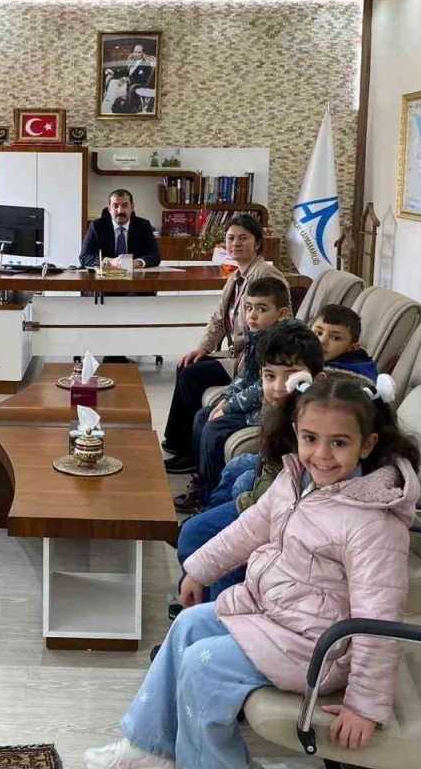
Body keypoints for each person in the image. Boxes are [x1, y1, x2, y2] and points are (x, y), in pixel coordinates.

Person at [86, 371, 421, 769]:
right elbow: (247, 530)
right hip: (275, 617)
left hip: (318, 649)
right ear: (296, 432)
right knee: (188, 625)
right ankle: (148, 749)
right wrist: (200, 571)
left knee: (203, 665)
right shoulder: (295, 481)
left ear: (367, 444)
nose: (322, 454)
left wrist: (364, 705)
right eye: (310, 438)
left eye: (339, 442)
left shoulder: (373, 523)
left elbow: (377, 617)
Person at [175, 319, 325, 602]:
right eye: (269, 376)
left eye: (292, 376)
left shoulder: (318, 429)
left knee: (218, 558)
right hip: (264, 500)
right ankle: (196, 598)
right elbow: (268, 470)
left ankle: (213, 610)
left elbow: (290, 497)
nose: (279, 387)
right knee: (194, 532)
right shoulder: (275, 407)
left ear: (317, 381)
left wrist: (246, 503)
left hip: (282, 518)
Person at [161, 214, 288, 474]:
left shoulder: (265, 274)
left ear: (257, 243)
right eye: (231, 238)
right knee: (187, 364)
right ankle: (177, 444)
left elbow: (282, 323)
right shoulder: (235, 275)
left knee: (192, 375)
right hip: (234, 354)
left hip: (252, 359)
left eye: (243, 238)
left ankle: (187, 453)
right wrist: (204, 347)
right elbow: (219, 318)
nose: (235, 243)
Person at [174, 276, 291, 513]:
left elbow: (263, 386)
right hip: (255, 402)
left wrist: (228, 408)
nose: (252, 315)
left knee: (214, 428)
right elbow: (246, 375)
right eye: (249, 308)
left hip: (270, 408)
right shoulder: (257, 333)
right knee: (202, 416)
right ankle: (202, 482)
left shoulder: (284, 341)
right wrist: (226, 398)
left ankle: (209, 498)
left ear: (282, 313)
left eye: (261, 309)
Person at [79, 189, 161, 270]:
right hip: (105, 275)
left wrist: (136, 262)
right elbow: (84, 257)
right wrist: (109, 261)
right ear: (109, 209)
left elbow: (155, 256)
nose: (120, 210)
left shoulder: (144, 225)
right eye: (115, 206)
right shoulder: (96, 226)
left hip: (135, 274)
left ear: (132, 207)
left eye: (124, 205)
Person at [312, 303, 378, 380]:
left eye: (335, 338)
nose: (322, 341)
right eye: (318, 333)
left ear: (352, 348)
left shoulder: (351, 377)